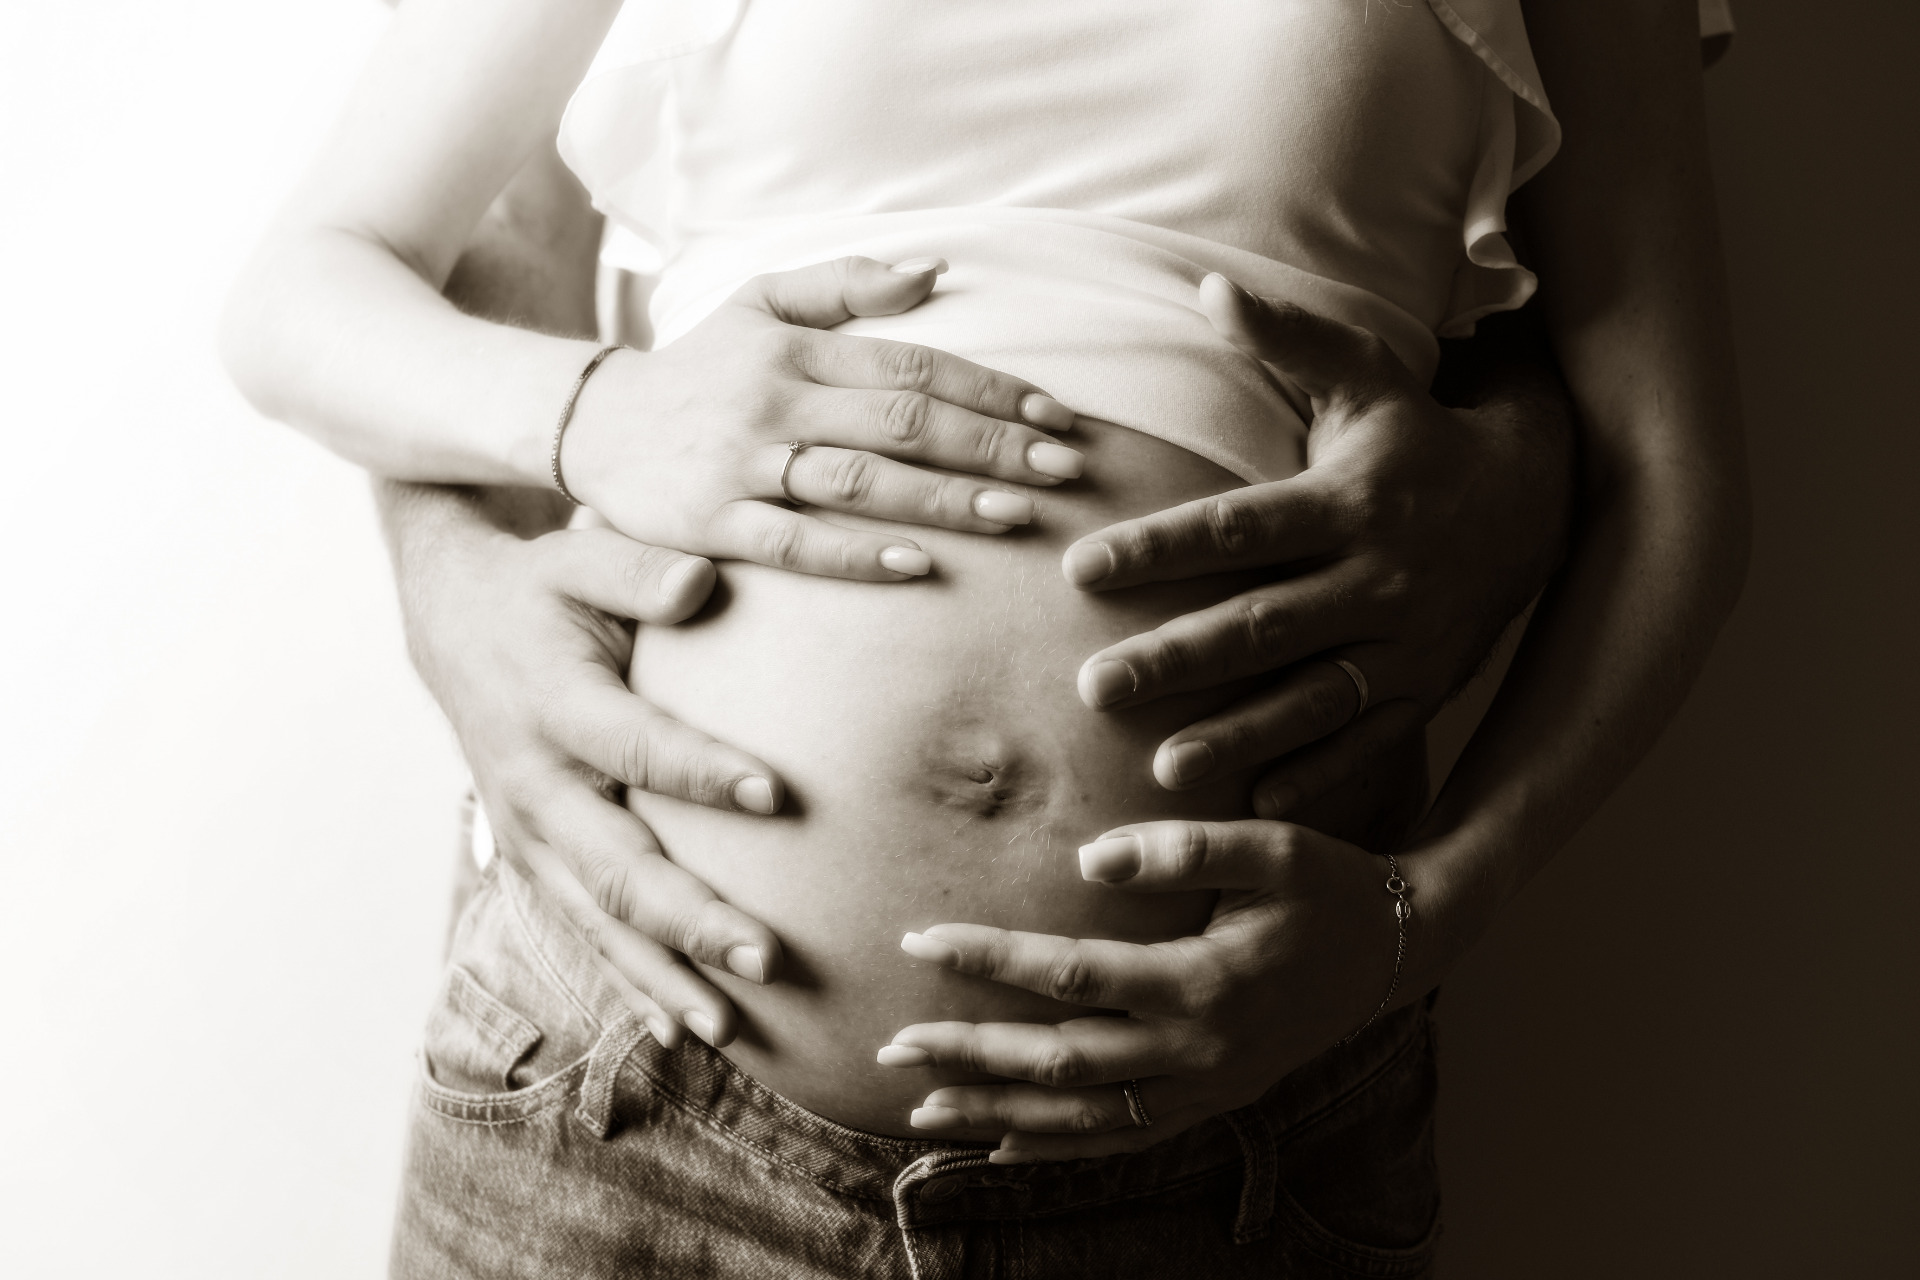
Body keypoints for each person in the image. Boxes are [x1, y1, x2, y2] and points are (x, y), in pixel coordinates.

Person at [223, 0, 1747, 1273]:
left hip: (1231, 1149)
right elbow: (320, 277)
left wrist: (1425, 918)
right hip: (623, 1082)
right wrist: (591, 416)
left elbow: (1668, 475)